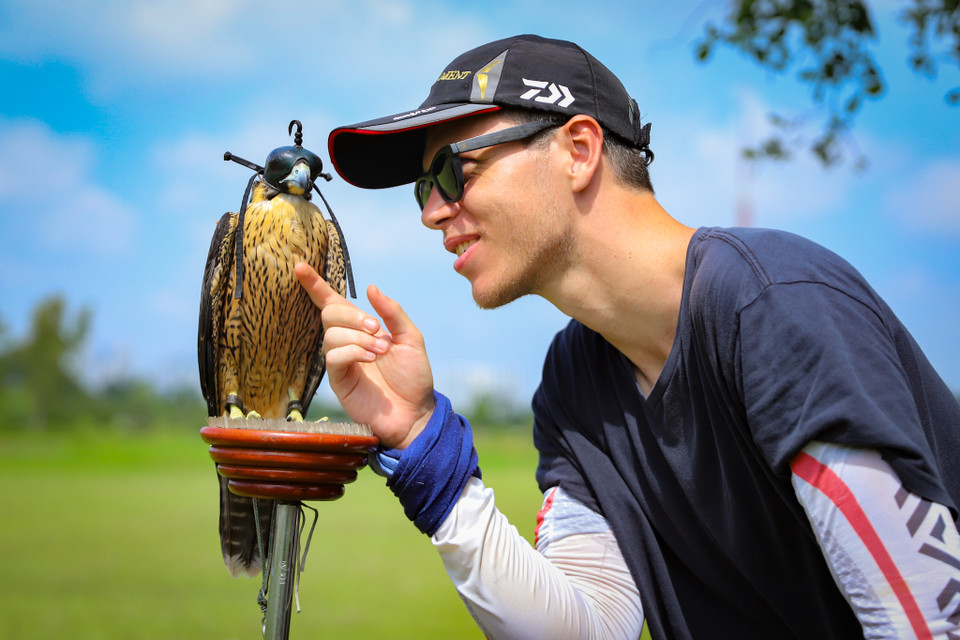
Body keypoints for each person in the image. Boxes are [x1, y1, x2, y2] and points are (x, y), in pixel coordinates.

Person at [295, 34, 960, 639]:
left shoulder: (774, 307)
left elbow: (921, 623)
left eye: (452, 172)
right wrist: (420, 444)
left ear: (578, 151)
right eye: (422, 189)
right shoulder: (572, 381)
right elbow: (587, 630)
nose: (433, 212)